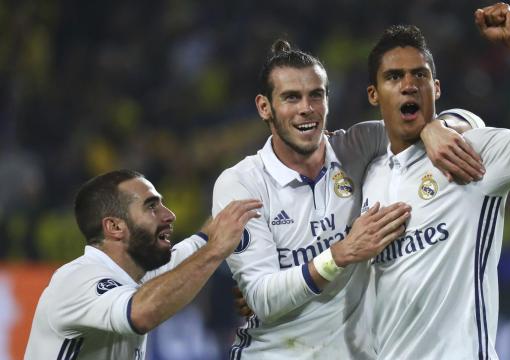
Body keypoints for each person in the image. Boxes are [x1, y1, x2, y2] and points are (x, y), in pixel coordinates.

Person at [211, 39, 486, 358]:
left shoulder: (359, 146)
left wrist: (436, 127)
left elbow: (462, 122)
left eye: (316, 95)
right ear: (264, 107)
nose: (306, 108)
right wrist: (340, 253)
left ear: (328, 99)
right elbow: (261, 300)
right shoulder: (242, 183)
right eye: (291, 97)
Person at [361, 3, 510, 359]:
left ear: (436, 87)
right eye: (394, 77)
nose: (408, 86)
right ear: (374, 94)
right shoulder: (369, 178)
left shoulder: (471, 153)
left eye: (419, 76)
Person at [24, 169, 262, 359]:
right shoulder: (77, 279)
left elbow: (201, 245)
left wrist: (252, 195)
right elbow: (141, 313)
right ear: (115, 227)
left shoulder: (136, 277)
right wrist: (214, 251)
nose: (169, 215)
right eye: (151, 207)